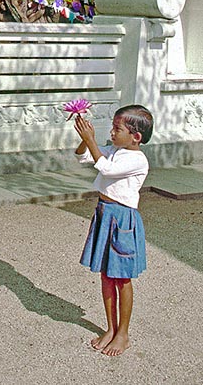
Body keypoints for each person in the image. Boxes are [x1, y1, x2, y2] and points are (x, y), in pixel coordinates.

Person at [74, 104, 154, 356]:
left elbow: (105, 169)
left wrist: (91, 140)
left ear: (136, 136)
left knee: (122, 279)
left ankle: (123, 333)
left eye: (117, 128)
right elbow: (83, 157)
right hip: (104, 214)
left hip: (122, 220)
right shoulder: (116, 150)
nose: (111, 132)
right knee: (107, 276)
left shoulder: (137, 160)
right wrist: (83, 140)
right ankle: (110, 328)